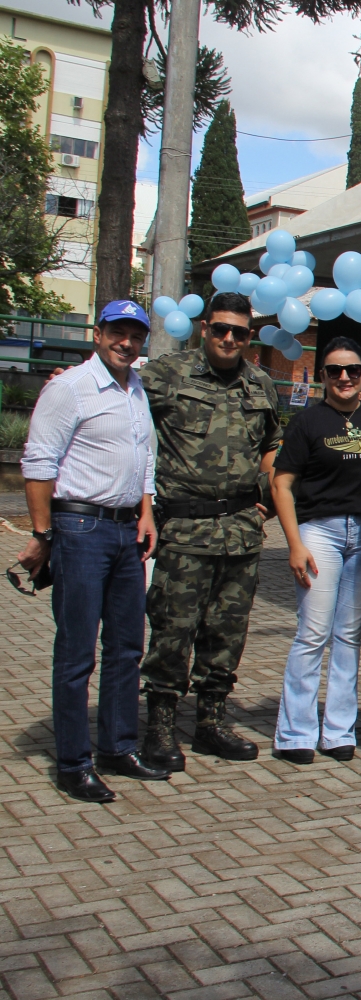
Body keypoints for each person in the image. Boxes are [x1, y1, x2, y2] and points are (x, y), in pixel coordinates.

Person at [17, 300, 167, 802]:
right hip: (80, 529)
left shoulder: (136, 389)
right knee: (77, 651)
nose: (127, 342)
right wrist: (42, 535)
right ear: (98, 334)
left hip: (127, 532)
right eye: (118, 333)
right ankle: (72, 762)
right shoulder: (69, 388)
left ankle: (118, 746)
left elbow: (144, 459)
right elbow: (38, 463)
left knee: (127, 647)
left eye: (135, 335)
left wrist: (146, 513)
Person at [139, 291, 281, 771]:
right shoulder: (166, 375)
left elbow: (272, 447)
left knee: (226, 632)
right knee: (172, 630)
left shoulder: (259, 384)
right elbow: (121, 408)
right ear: (204, 328)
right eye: (220, 328)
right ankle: (159, 725)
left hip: (241, 532)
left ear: (248, 336)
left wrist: (263, 506)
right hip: (184, 529)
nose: (228, 338)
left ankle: (210, 722)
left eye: (238, 332)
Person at [270, 337, 361, 765]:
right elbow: (282, 484)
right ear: (323, 376)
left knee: (348, 636)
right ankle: (295, 734)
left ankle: (339, 731)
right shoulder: (307, 423)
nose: (345, 377)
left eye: (354, 370)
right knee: (312, 634)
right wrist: (293, 543)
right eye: (335, 371)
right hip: (318, 534)